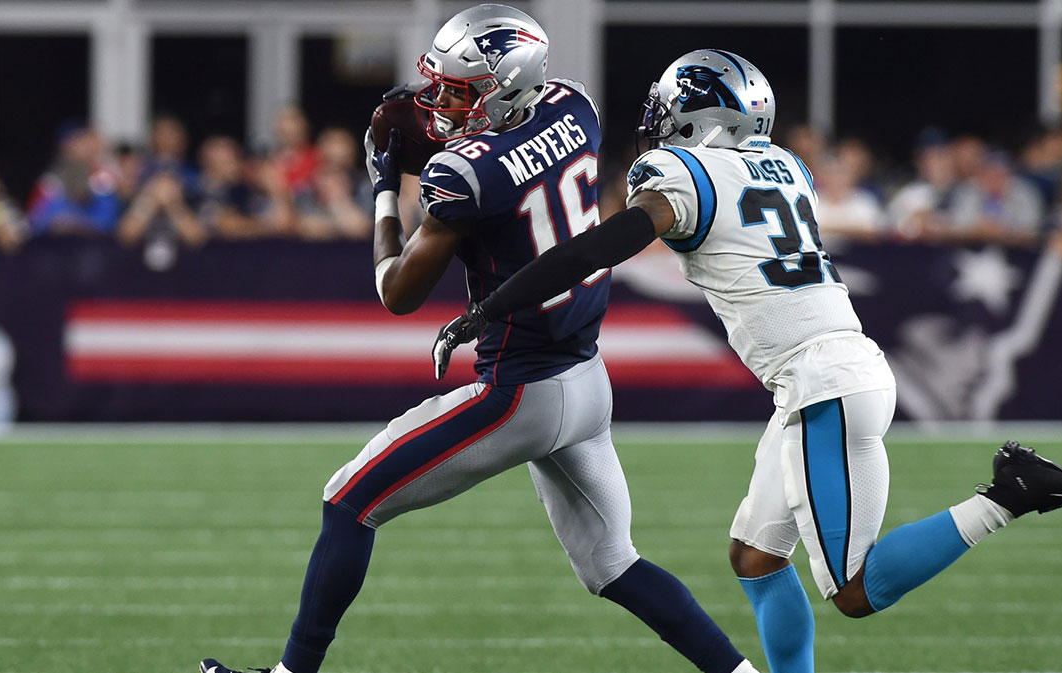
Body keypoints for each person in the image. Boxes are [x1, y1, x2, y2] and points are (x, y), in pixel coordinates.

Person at [432, 49, 1062, 673]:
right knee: (755, 557)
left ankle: (1009, 493)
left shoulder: (679, 171)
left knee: (853, 590)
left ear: (701, 116)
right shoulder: (790, 168)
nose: (658, 126)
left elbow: (599, 247)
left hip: (822, 381)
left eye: (670, 111)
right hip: (829, 372)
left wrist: (491, 306)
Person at [199, 7, 759, 673]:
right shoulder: (575, 106)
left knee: (348, 500)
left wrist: (385, 184)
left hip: (519, 391)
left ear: (502, 88)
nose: (439, 101)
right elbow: (508, 156)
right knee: (615, 563)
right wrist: (437, 121)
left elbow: (396, 291)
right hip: (587, 379)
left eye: (457, 90)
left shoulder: (462, 174)